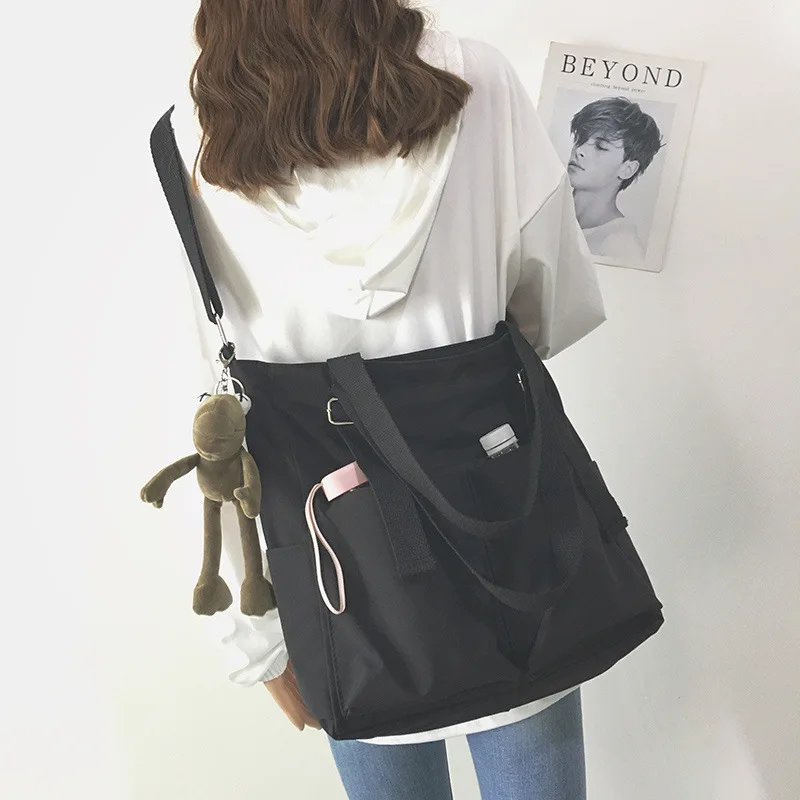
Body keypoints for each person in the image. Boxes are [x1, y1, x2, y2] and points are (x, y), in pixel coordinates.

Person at [168, 2, 606, 797]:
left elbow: (220, 419)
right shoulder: (477, 80)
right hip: (498, 519)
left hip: (336, 575)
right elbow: (556, 307)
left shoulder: (188, 136)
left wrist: (256, 641)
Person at [566, 96, 665, 263]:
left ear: (628, 169)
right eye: (580, 139)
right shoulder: (549, 213)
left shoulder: (620, 245)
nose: (579, 150)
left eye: (601, 147)